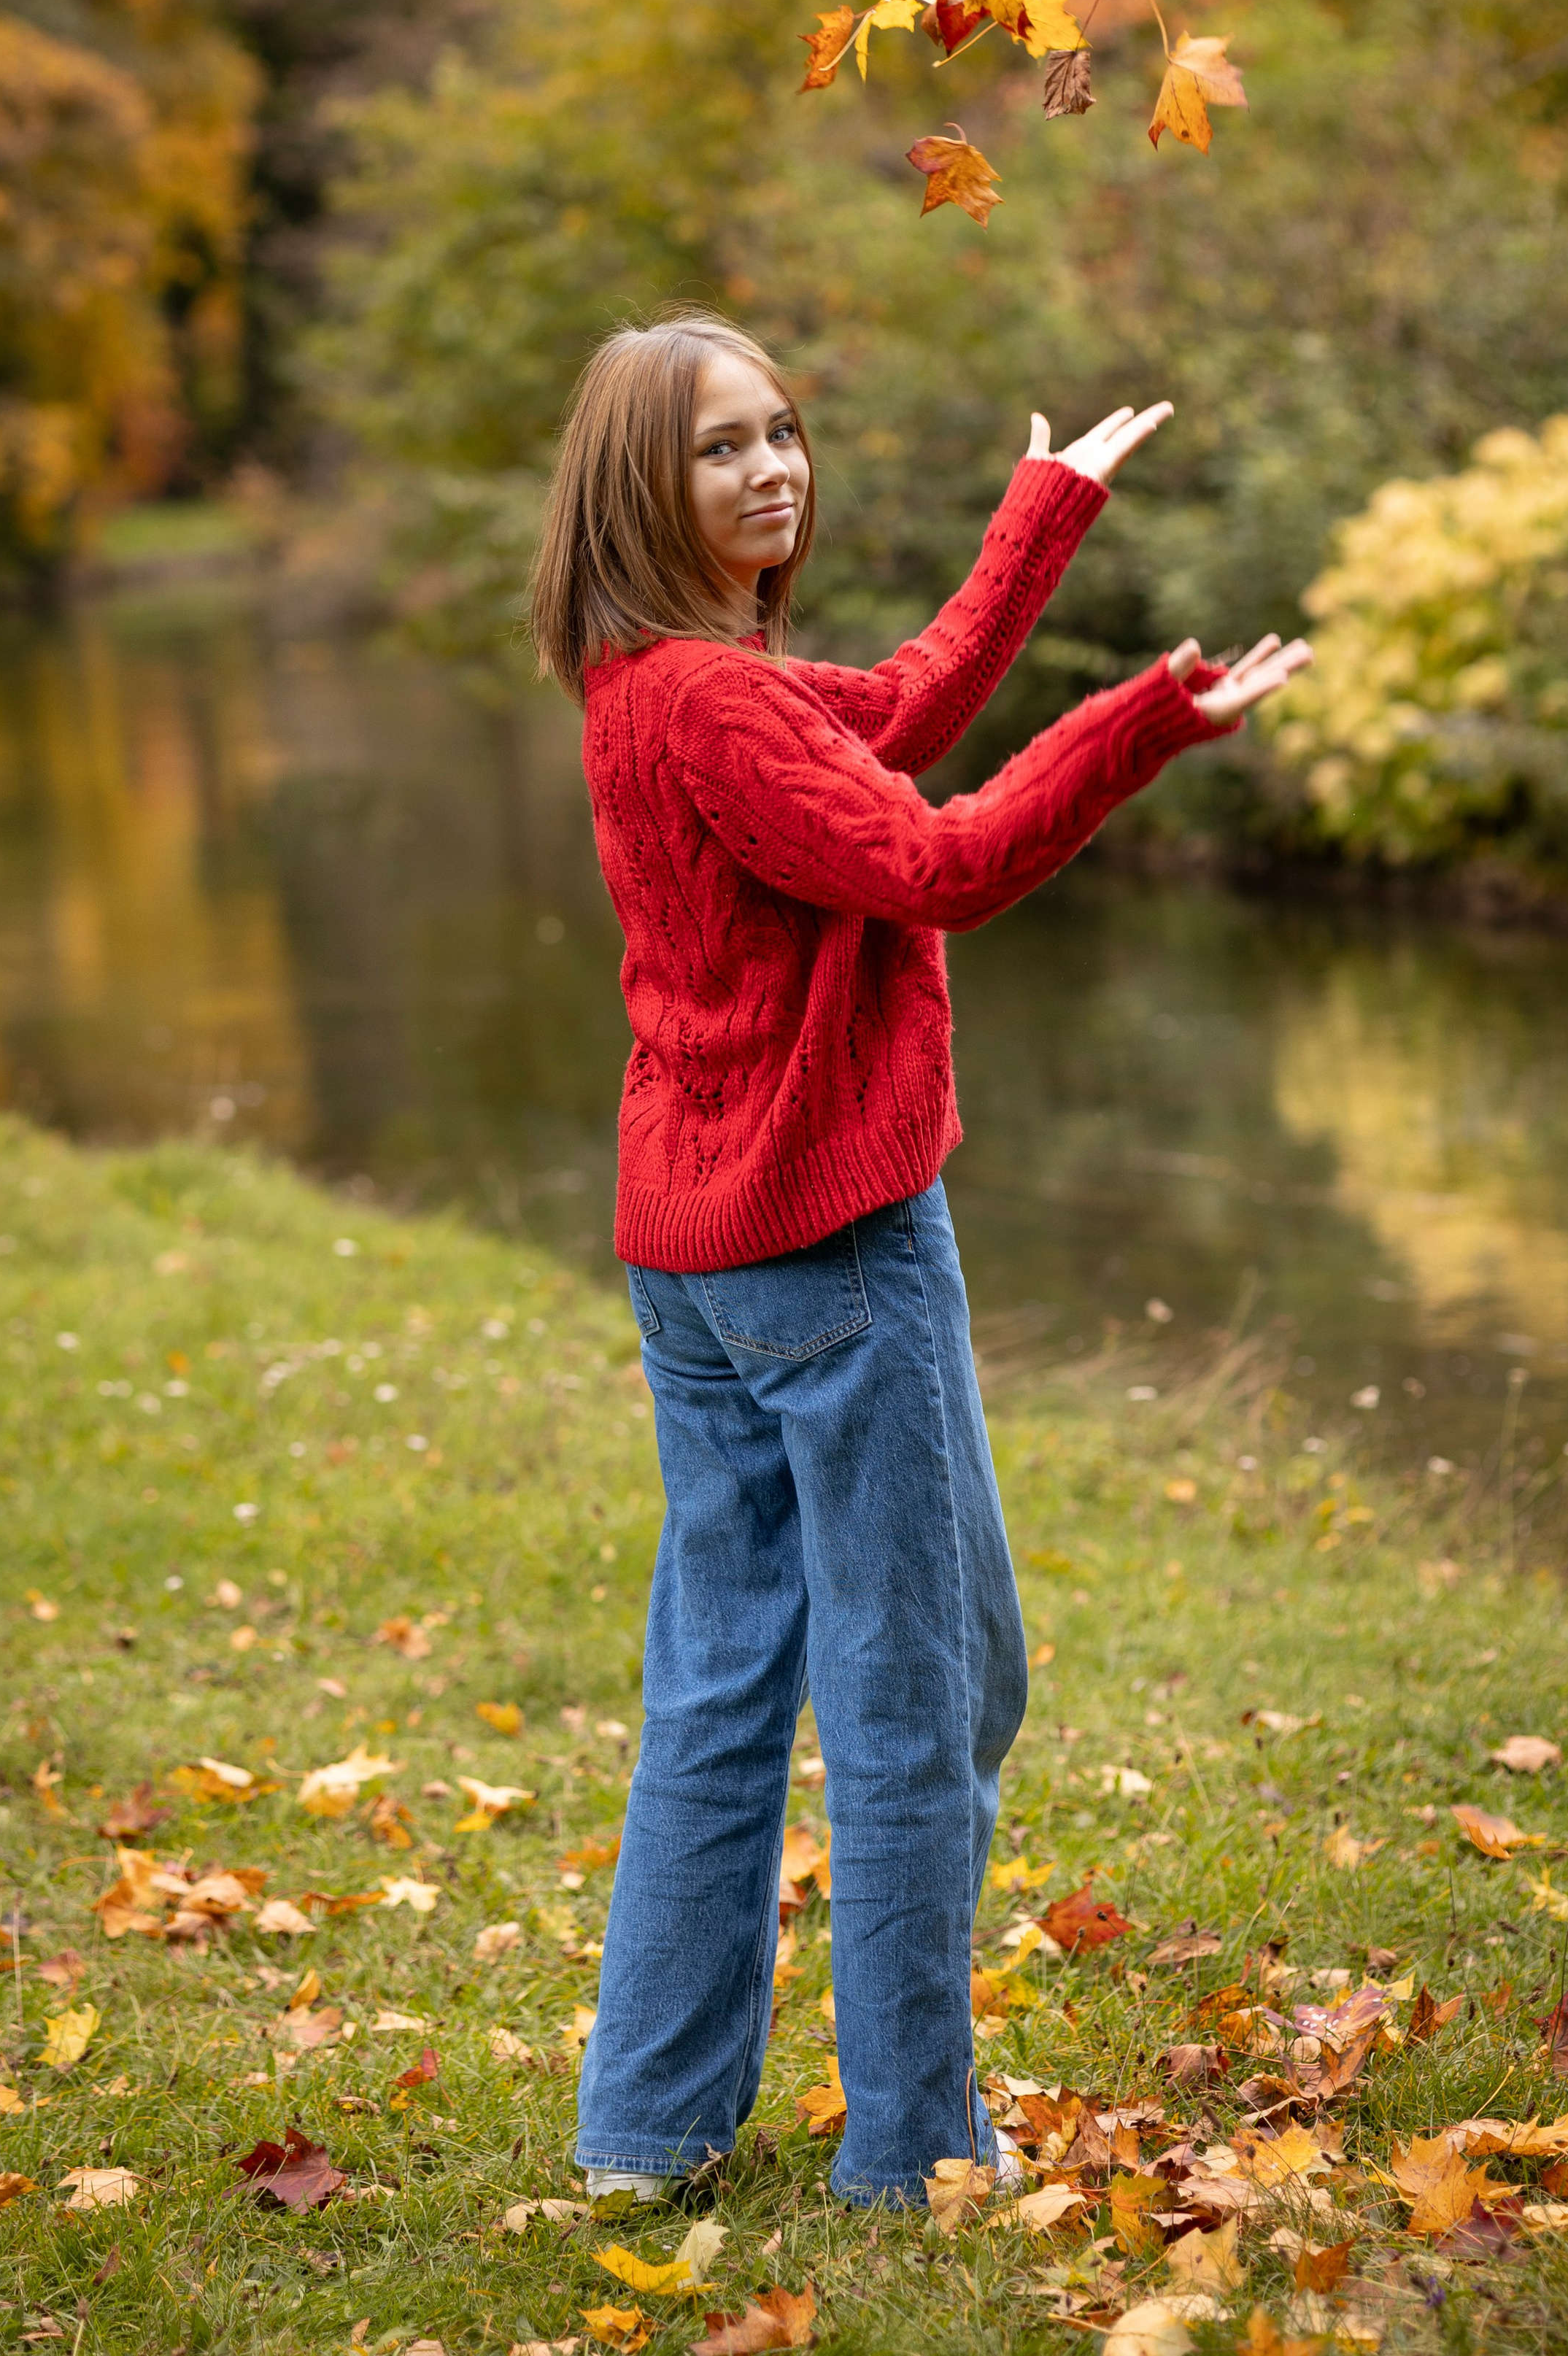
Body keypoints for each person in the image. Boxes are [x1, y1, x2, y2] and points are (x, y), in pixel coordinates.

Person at [528, 310, 1310, 2209]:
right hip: (830, 1236)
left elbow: (895, 714)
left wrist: (1045, 511)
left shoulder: (661, 680)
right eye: (721, 448)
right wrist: (1152, 724)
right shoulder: (712, 701)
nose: (772, 468)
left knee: (734, 1683)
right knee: (918, 1694)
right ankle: (915, 2153)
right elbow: (942, 859)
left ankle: (647, 2128)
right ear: (643, 483)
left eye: (781, 431)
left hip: (695, 1241)